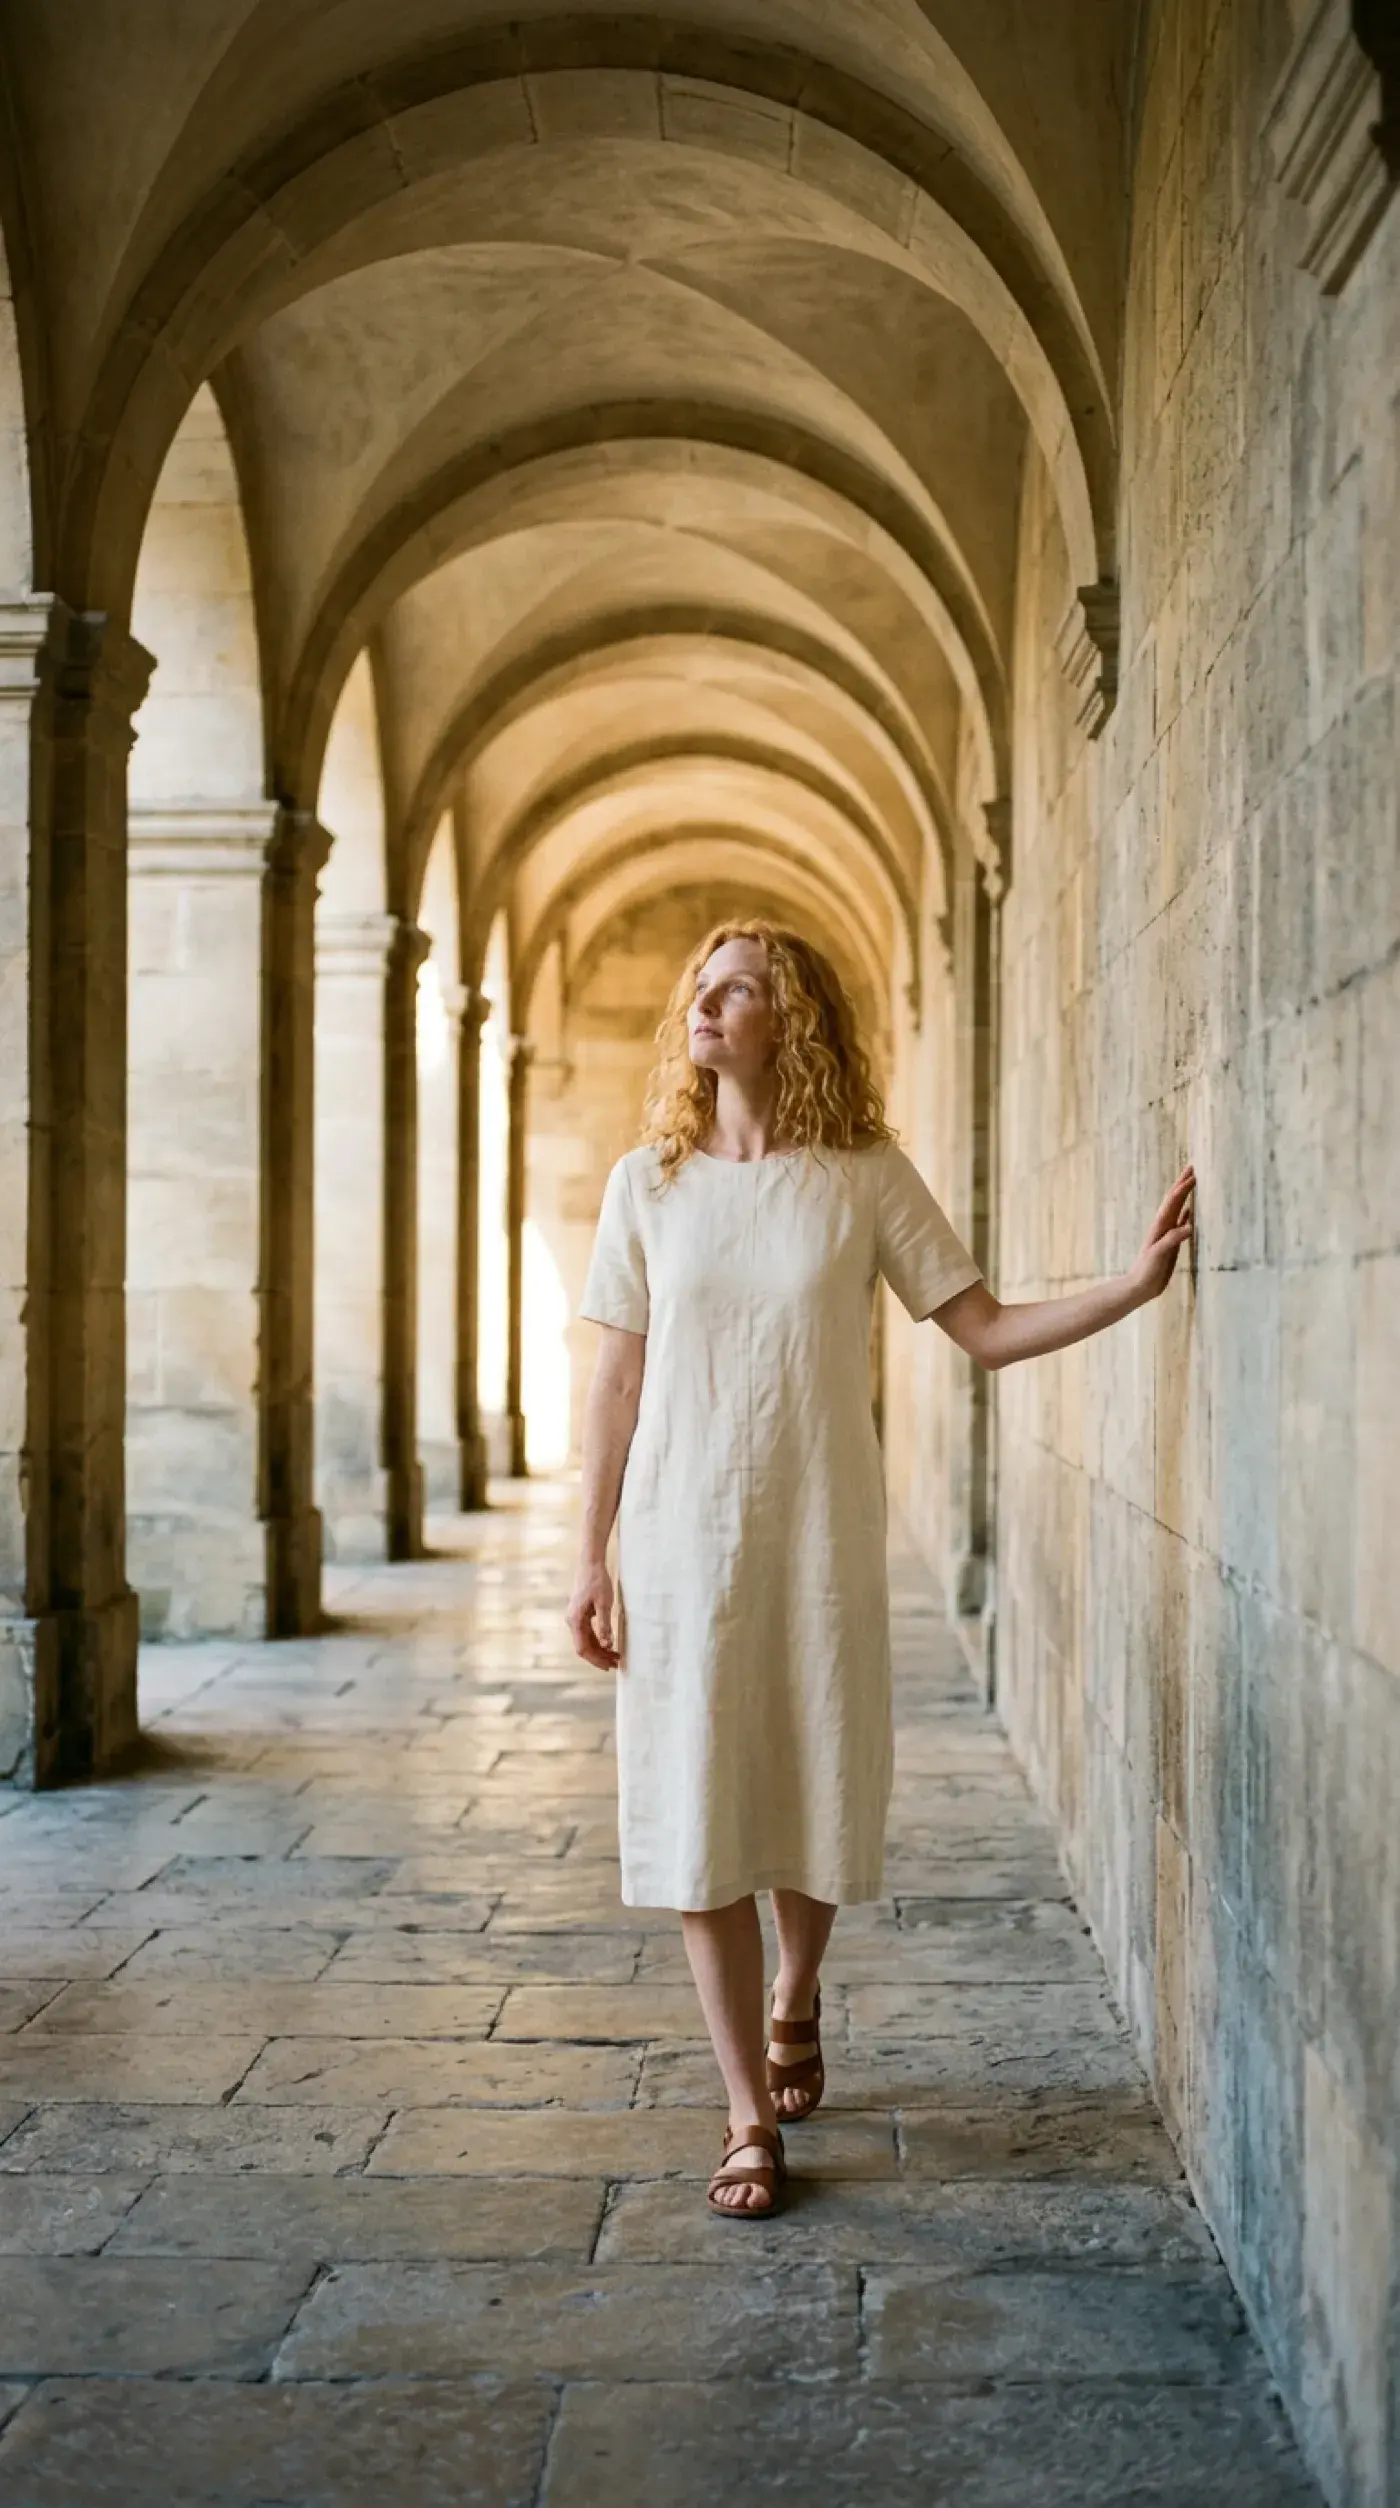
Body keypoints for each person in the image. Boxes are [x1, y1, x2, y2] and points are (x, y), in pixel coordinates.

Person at [566, 919, 1195, 2221]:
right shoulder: (648, 1182)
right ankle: (746, 2114)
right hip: (683, 1541)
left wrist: (1132, 1289)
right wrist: (591, 1549)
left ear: (789, 1020)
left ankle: (798, 1993)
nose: (709, 1003)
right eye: (703, 985)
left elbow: (985, 1327)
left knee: (810, 1777)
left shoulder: (859, 1172)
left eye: (738, 990)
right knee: (698, 1816)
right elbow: (614, 1378)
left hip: (817, 1539)